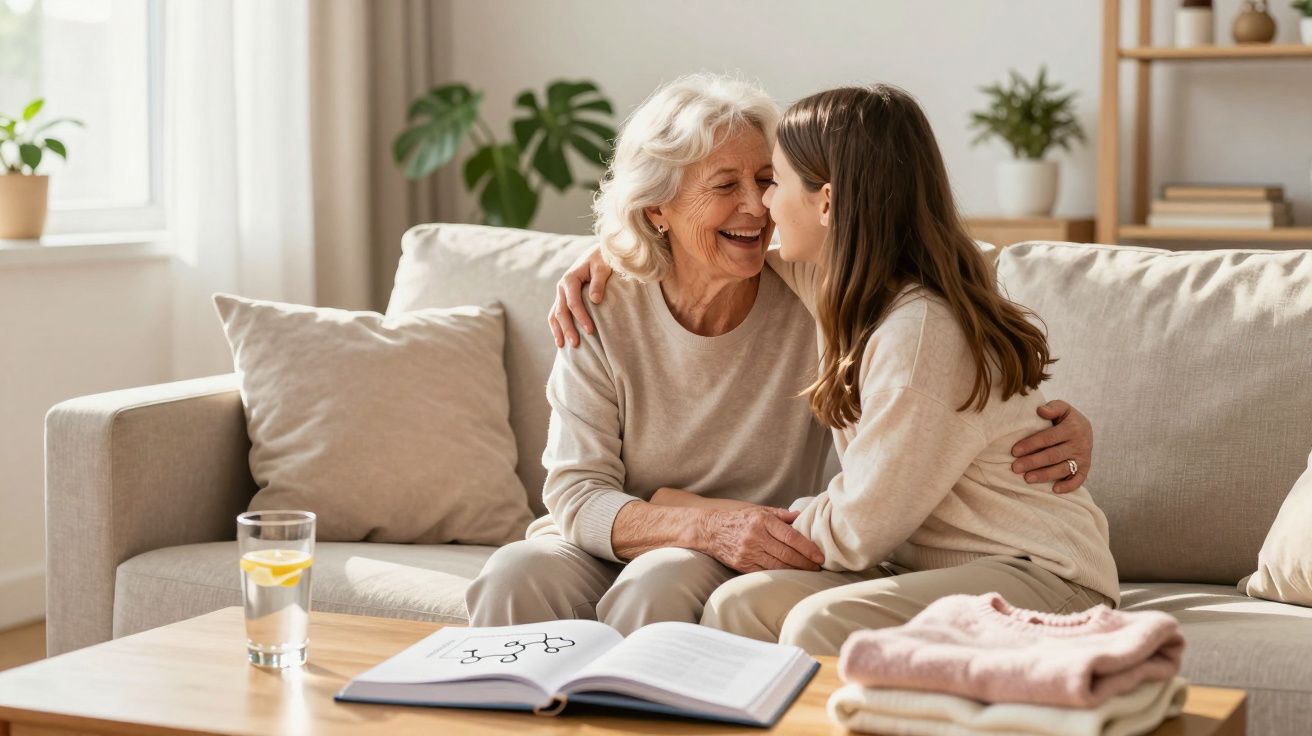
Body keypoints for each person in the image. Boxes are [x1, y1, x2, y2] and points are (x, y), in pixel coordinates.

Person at [469, 74, 1097, 637]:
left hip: (761, 546)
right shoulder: (601, 305)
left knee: (658, 583)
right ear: (656, 208)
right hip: (642, 529)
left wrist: (1042, 416)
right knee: (514, 574)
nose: (758, 205)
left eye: (767, 181)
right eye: (725, 186)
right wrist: (611, 248)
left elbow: (937, 273)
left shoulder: (820, 286)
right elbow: (576, 494)